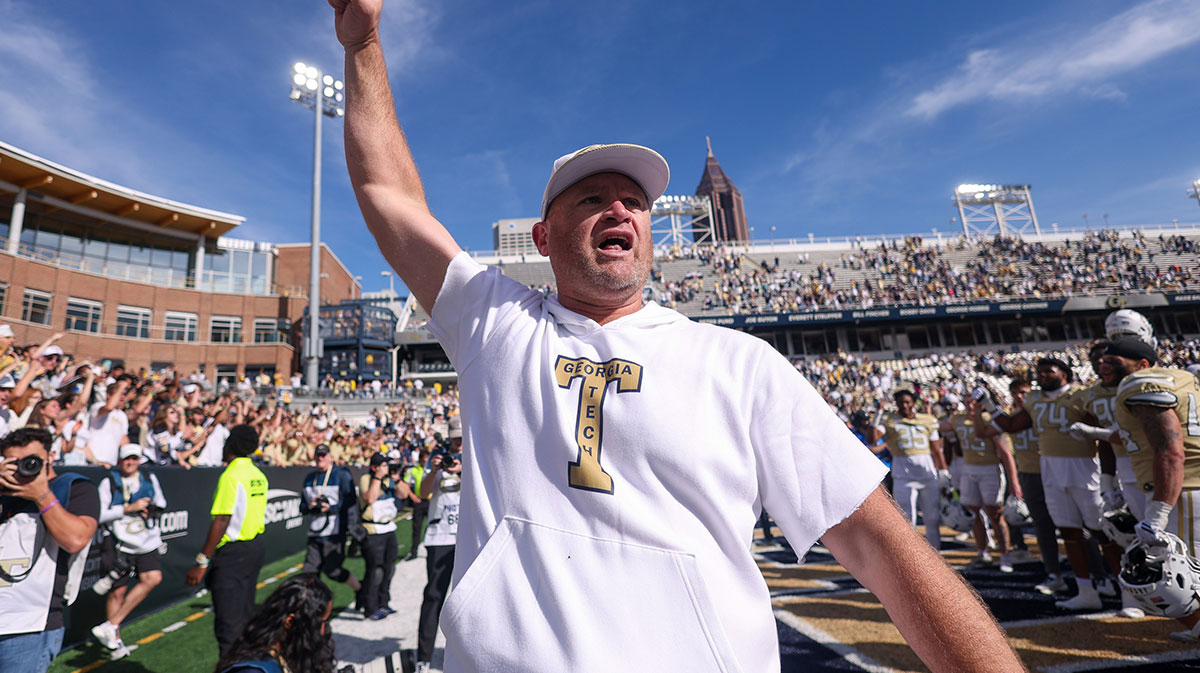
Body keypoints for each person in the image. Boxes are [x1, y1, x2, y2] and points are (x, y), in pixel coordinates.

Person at [330, 2, 1025, 670]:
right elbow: (390, 196)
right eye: (593, 199)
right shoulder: (497, 324)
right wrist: (364, 47)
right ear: (543, 236)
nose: (620, 211)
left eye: (634, 201)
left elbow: (880, 544)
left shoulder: (737, 363)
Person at [977, 358, 1112, 610]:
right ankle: (1085, 590)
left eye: (1049, 371)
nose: (1043, 375)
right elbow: (1011, 425)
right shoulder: (1035, 400)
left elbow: (1106, 430)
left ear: (1065, 373)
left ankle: (1120, 586)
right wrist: (988, 405)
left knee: (1100, 530)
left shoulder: (1083, 395)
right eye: (1039, 372)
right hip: (1049, 471)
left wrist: (1108, 474)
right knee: (1068, 530)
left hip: (1084, 468)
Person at [1102, 339, 1200, 641]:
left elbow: (1171, 451)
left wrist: (1157, 514)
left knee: (1176, 581)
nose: (1102, 365)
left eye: (1113, 360)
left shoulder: (1141, 382)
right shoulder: (1181, 377)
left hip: (1182, 489)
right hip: (1188, 486)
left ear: (1142, 364)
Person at [0, 427, 99, 673]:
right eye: (15, 462)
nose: (23, 468)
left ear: (51, 457)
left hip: (28, 625)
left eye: (31, 461)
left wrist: (41, 495)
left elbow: (76, 539)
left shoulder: (72, 487)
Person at [186, 425, 269, 656]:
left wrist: (202, 561)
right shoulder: (258, 475)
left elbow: (222, 519)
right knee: (244, 617)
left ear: (230, 445)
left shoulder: (232, 475)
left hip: (233, 554)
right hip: (254, 549)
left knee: (228, 627)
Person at [91, 444, 168, 659]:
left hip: (146, 538)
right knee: (117, 591)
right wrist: (127, 509)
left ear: (140, 460)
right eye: (127, 458)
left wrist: (150, 508)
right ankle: (114, 641)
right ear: (119, 460)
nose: (130, 462)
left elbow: (161, 503)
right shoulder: (109, 482)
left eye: (134, 458)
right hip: (119, 541)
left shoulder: (150, 479)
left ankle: (110, 625)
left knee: (152, 578)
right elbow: (98, 515)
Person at [869, 389, 948, 549]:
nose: (904, 405)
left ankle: (936, 555)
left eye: (907, 402)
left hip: (927, 475)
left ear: (913, 403)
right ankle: (912, 554)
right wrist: (877, 415)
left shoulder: (927, 419)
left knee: (932, 518)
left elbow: (936, 449)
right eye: (900, 402)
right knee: (906, 519)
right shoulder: (890, 420)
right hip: (904, 477)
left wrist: (943, 471)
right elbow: (872, 439)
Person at [213, 573, 337, 673]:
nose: (323, 631)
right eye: (321, 623)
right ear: (290, 622)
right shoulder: (254, 670)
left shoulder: (288, 654)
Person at [951, 396, 1021, 571]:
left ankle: (1005, 555)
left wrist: (1014, 482)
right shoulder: (958, 419)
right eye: (967, 402)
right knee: (972, 514)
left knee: (995, 514)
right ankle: (982, 552)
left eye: (974, 402)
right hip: (969, 469)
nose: (970, 405)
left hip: (990, 469)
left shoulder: (990, 420)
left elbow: (1005, 454)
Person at [415, 418, 462, 673]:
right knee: (433, 596)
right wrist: (435, 470)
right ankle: (423, 656)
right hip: (440, 535)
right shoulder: (437, 459)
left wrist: (463, 470)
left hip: (467, 536)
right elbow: (422, 494)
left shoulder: (476, 458)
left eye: (462, 438)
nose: (459, 443)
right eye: (455, 438)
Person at [301, 444, 363, 597]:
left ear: (330, 457)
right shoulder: (310, 478)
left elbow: (350, 501)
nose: (320, 458)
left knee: (333, 570)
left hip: (334, 532)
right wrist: (310, 506)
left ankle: (359, 589)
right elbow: (301, 506)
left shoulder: (340, 474)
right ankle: (313, 605)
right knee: (309, 572)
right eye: (318, 455)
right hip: (315, 532)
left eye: (323, 455)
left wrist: (332, 508)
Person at [358, 452, 411, 620]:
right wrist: (378, 478)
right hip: (373, 530)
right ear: (375, 467)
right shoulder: (367, 479)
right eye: (384, 465)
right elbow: (371, 499)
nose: (387, 468)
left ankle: (383, 602)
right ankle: (370, 607)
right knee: (375, 570)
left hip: (388, 528)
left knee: (389, 568)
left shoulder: (390, 479)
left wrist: (396, 479)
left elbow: (403, 494)